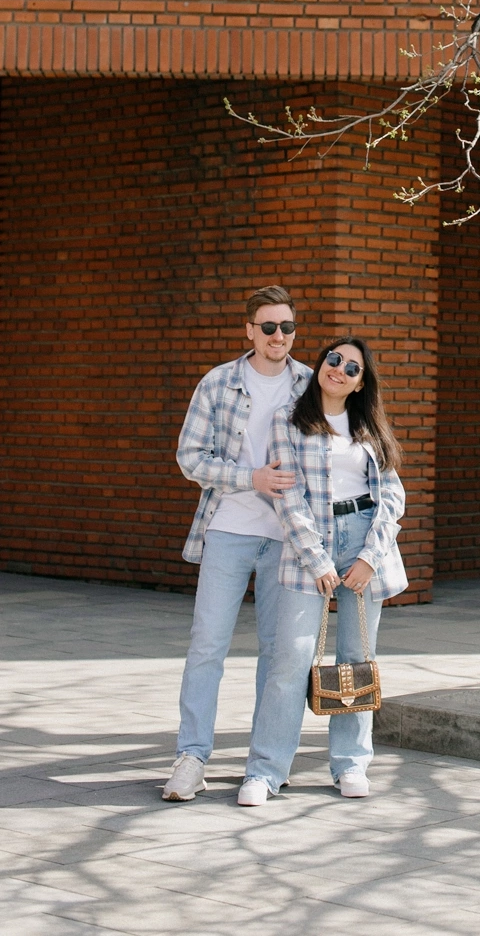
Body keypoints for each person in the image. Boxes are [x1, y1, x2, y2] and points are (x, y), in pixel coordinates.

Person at [237, 335, 407, 804]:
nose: (340, 370)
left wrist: (370, 557)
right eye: (334, 359)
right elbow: (287, 498)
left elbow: (391, 495)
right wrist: (317, 559)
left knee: (356, 659)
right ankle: (265, 771)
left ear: (360, 384)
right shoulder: (288, 420)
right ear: (321, 364)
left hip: (364, 540)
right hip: (308, 546)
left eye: (353, 368)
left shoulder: (368, 426)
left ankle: (350, 764)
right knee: (290, 659)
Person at [161, 287, 312, 802]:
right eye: (268, 327)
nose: (278, 336)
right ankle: (191, 757)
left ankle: (266, 764)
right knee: (207, 644)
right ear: (249, 330)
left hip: (288, 539)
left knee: (279, 653)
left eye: (286, 327)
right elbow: (190, 457)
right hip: (228, 529)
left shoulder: (309, 384)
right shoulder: (219, 382)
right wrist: (252, 479)